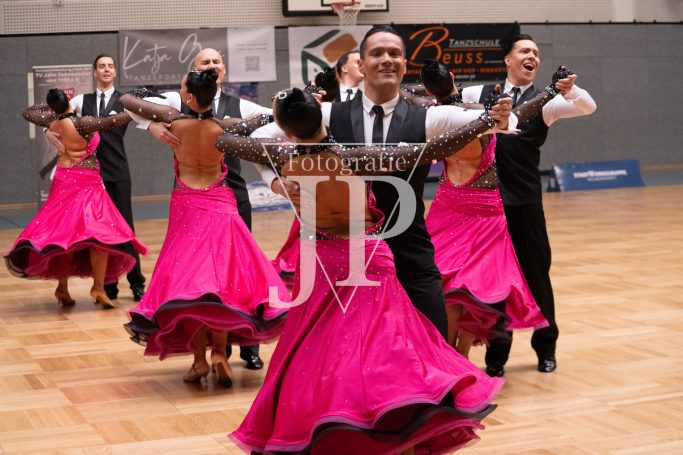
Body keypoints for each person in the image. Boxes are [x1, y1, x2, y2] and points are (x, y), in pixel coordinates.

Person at [216, 87, 509, 454]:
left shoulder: (281, 155)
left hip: (321, 261)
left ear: (287, 130)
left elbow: (224, 140)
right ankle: (396, 425)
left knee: (318, 348)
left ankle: (328, 422)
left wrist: (266, 123)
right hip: (367, 257)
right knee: (386, 347)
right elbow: (431, 150)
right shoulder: (357, 157)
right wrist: (484, 121)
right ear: (321, 119)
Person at [257, 25, 516, 340]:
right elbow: (261, 137)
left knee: (432, 343)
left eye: (394, 53)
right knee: (351, 351)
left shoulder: (429, 117)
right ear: (362, 65)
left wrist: (501, 116)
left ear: (404, 65)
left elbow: (501, 123)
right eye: (377, 53)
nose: (386, 59)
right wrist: (275, 182)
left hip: (410, 252)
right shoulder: (329, 114)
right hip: (348, 260)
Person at [119, 70, 289, 387]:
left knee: (191, 286)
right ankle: (220, 354)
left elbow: (127, 99)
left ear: (188, 96)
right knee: (221, 283)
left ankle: (199, 360)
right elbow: (268, 119)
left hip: (187, 205)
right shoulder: (225, 127)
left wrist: (152, 123)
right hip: (221, 205)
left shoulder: (172, 121)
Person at [460, 34, 597, 376]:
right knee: (494, 283)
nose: (531, 55)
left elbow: (588, 107)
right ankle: (496, 358)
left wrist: (569, 90)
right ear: (508, 59)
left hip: (526, 204)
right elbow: (445, 105)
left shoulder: (546, 102)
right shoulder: (479, 94)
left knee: (537, 277)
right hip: (488, 206)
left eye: (535, 52)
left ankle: (546, 348)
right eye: (524, 50)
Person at [417, 59, 565, 358]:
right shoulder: (479, 114)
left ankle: (450, 359)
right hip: (484, 209)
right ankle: (462, 356)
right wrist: (549, 92)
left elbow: (405, 97)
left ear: (429, 91)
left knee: (448, 286)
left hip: (447, 205)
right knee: (477, 287)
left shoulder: (428, 116)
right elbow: (521, 115)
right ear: (454, 77)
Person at [6, 88, 148, 309]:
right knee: (101, 235)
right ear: (69, 101)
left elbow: (28, 112)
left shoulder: (52, 121)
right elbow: (114, 121)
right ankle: (98, 287)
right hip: (86, 183)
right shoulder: (83, 123)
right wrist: (137, 104)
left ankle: (63, 288)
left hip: (63, 181)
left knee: (65, 237)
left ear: (52, 107)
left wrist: (50, 111)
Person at [46, 54, 147, 302]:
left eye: (110, 66)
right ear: (95, 72)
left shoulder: (125, 101)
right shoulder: (82, 100)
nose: (106, 69)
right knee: (98, 233)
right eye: (102, 66)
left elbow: (147, 121)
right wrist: (48, 131)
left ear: (115, 72)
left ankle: (136, 282)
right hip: (88, 178)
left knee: (125, 229)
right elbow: (56, 115)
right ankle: (107, 285)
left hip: (117, 173)